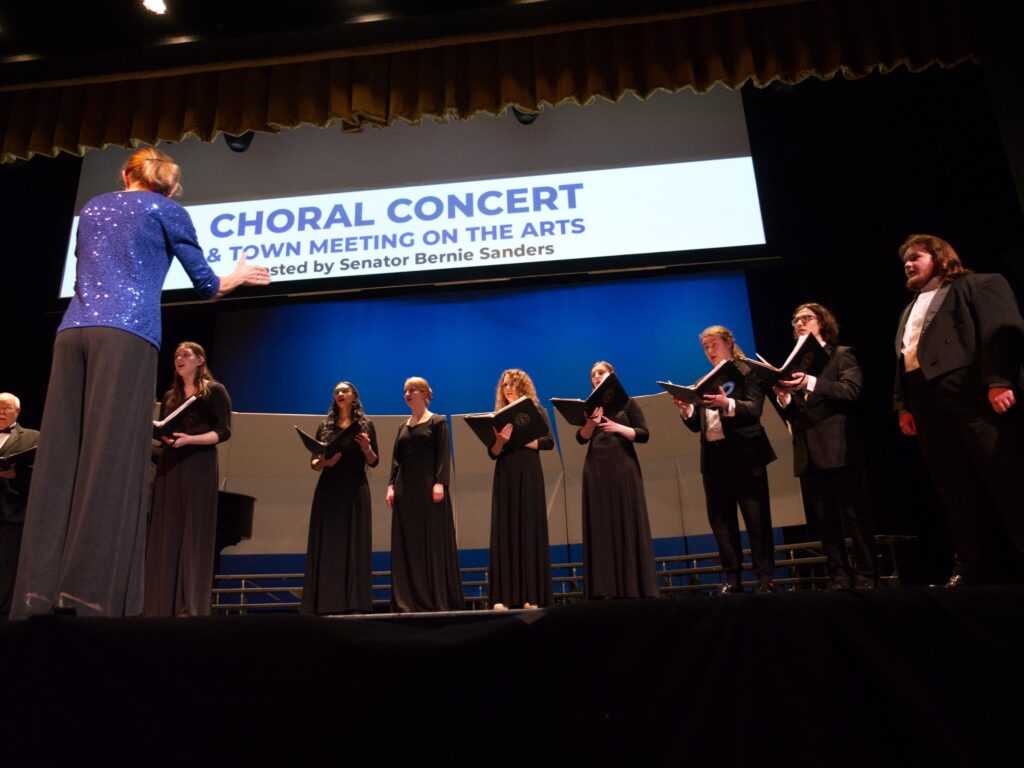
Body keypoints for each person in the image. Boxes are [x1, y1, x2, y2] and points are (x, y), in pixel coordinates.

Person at [12, 147, 270, 618]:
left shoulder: (92, 207)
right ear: (169, 187)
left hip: (71, 333)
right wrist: (234, 277)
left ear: (123, 175)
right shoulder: (167, 210)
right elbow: (205, 284)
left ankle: (34, 594)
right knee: (112, 457)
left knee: (60, 458)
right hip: (126, 335)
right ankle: (90, 598)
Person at [894, 234, 1024, 585]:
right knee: (955, 493)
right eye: (905, 259)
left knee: (1008, 481)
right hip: (927, 404)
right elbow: (906, 358)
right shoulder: (909, 308)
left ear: (938, 256)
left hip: (970, 396)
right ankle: (972, 568)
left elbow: (1003, 331)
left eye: (915, 256)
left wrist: (999, 379)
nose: (907, 263)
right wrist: (904, 405)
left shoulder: (979, 284)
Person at [774, 304, 878, 589]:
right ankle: (839, 575)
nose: (798, 323)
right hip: (809, 452)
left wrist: (811, 382)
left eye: (805, 318)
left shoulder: (841, 354)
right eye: (794, 320)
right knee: (825, 522)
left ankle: (867, 574)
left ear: (822, 323)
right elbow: (797, 412)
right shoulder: (793, 364)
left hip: (839, 448)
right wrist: (784, 400)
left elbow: (851, 390)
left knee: (854, 517)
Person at [674, 327, 777, 593]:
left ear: (729, 342)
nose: (710, 351)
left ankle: (765, 578)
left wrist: (726, 403)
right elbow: (699, 424)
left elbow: (754, 409)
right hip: (714, 458)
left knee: (756, 519)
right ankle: (733, 579)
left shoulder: (747, 371)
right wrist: (687, 410)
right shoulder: (702, 380)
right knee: (721, 521)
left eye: (714, 344)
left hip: (745, 455)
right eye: (705, 347)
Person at [144, 342, 232, 617]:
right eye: (176, 356)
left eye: (186, 355)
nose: (179, 359)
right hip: (170, 466)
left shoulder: (215, 391)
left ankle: (190, 607)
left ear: (200, 360)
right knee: (166, 533)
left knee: (194, 535)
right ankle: (161, 605)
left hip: (199, 464)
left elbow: (224, 431)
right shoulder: (170, 396)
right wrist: (156, 435)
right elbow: (159, 437)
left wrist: (190, 439)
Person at [577, 361, 659, 599]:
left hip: (623, 467)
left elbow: (643, 434)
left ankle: (633, 586)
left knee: (625, 519)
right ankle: (605, 588)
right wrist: (591, 422)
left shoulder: (627, 402)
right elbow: (581, 438)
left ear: (611, 375)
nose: (595, 377)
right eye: (592, 374)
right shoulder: (590, 408)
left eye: (600, 372)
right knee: (602, 525)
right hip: (596, 469)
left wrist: (616, 427)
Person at [386, 377, 464, 612]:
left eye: (412, 390)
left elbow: (443, 454)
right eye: (405, 391)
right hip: (404, 492)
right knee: (407, 544)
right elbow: (396, 459)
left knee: (430, 542)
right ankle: (407, 601)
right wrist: (390, 485)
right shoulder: (402, 426)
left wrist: (440, 482)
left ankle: (434, 599)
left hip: (430, 489)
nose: (407, 394)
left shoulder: (437, 422)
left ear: (424, 393)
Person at [302, 381, 379, 615]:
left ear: (354, 395)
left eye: (344, 391)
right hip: (329, 489)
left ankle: (354, 602)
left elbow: (374, 461)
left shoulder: (365, 425)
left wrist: (366, 448)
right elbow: (314, 463)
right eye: (336, 392)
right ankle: (326, 601)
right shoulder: (324, 426)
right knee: (329, 544)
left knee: (355, 542)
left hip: (355, 488)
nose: (340, 394)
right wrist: (325, 462)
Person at [487, 369, 554, 610]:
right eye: (504, 385)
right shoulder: (497, 416)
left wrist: (522, 440)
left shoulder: (537, 411)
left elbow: (549, 442)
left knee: (528, 529)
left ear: (523, 386)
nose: (508, 388)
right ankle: (503, 597)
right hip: (506, 474)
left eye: (512, 384)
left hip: (529, 474)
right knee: (505, 530)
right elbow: (493, 452)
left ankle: (530, 596)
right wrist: (500, 442)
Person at [0, 393, 39, 616]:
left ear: (18, 411)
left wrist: (16, 475)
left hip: (12, 512)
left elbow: (44, 475)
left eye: (6, 408)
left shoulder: (32, 438)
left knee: (7, 568)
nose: (1, 412)